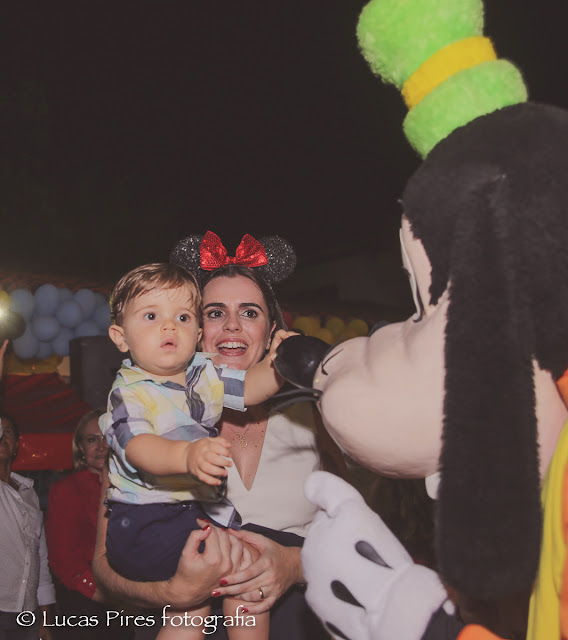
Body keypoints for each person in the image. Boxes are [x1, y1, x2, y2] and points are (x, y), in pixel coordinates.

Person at [92, 232, 346, 639]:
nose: (231, 324)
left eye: (249, 312)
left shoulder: (315, 417)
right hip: (176, 614)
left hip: (290, 621)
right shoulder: (148, 408)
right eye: (214, 312)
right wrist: (174, 593)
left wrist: (293, 565)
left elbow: (357, 537)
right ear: (201, 331)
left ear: (271, 329)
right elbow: (106, 568)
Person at [45, 409, 135, 640]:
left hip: (135, 601)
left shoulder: (136, 488)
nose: (101, 446)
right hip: (85, 603)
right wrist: (105, 595)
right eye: (92, 439)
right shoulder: (66, 489)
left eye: (107, 437)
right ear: (81, 448)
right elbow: (62, 560)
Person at [0, 411, 56, 640]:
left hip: (28, 613)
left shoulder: (28, 493)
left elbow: (39, 557)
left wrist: (45, 616)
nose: (2, 436)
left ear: (16, 445)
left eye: (7, 432)